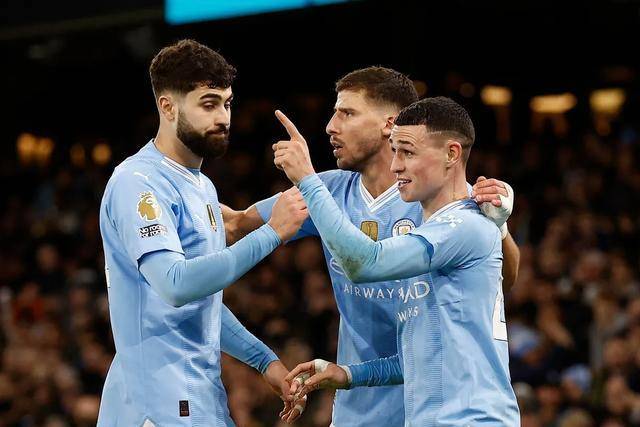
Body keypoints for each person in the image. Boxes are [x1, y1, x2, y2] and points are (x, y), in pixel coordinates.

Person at [224, 68, 519, 426]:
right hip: (368, 398)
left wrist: (499, 226)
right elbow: (234, 224)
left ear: (389, 124)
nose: (331, 126)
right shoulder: (331, 191)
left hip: (448, 404)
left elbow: (496, 280)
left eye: (347, 113)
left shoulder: (448, 202)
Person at [97, 39, 307, 426]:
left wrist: (265, 361)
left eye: (227, 104)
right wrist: (272, 233)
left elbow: (201, 305)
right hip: (156, 404)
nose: (223, 117)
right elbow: (175, 285)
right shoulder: (138, 182)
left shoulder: (201, 186)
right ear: (168, 107)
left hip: (200, 398)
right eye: (209, 104)